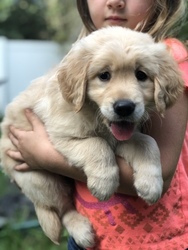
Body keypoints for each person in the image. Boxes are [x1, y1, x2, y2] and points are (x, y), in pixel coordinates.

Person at [6, 0, 188, 249]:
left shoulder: (168, 55)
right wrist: (94, 157)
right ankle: (66, 214)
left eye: (140, 76)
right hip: (86, 228)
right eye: (104, 76)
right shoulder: (83, 56)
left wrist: (42, 155)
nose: (115, 1)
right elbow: (64, 136)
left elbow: (131, 149)